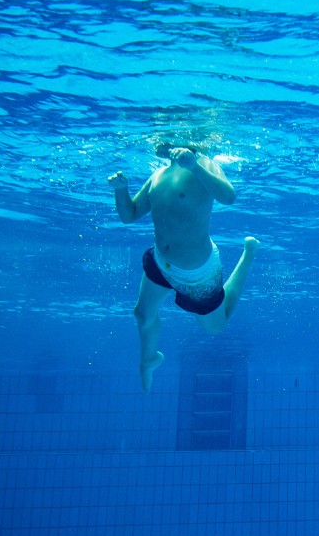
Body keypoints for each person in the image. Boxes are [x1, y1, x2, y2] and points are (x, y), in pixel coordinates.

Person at [108, 144, 259, 392]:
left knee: (216, 326)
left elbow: (229, 197)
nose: (158, 144)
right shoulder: (157, 175)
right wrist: (121, 190)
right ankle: (148, 359)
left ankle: (249, 254)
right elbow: (130, 214)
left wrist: (194, 165)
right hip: (161, 262)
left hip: (196, 274)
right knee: (142, 314)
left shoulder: (205, 164)